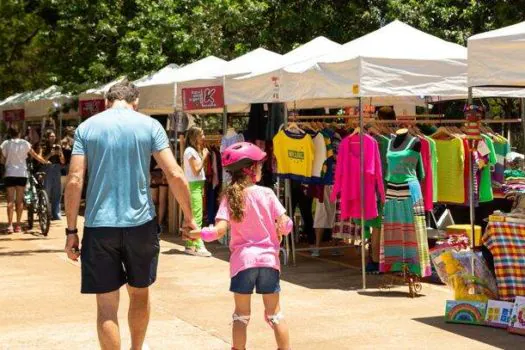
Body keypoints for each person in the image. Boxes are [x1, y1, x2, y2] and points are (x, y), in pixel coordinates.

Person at [64, 81, 196, 350]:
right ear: (136, 102)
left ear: (106, 102)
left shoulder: (87, 128)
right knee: (139, 294)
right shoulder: (149, 126)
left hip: (100, 226)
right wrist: (189, 217)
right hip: (141, 225)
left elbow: (75, 179)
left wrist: (71, 231)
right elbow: (175, 173)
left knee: (106, 305)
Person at [189, 142, 293, 350]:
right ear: (251, 169)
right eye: (260, 165)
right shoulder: (267, 194)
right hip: (268, 262)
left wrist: (199, 233)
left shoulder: (229, 197)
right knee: (275, 314)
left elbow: (218, 231)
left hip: (243, 263)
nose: (262, 169)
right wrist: (281, 230)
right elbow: (287, 224)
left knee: (241, 316)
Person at [1, 127, 49, 233]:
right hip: (22, 174)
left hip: (9, 173)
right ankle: (18, 225)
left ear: (9, 133)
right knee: (19, 200)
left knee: (10, 201)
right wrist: (45, 162)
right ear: (20, 133)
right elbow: (35, 155)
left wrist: (7, 163)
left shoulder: (5, 144)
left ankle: (10, 225)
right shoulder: (25, 143)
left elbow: (2, 159)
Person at [183, 126, 212, 257]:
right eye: (202, 135)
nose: (204, 137)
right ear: (195, 137)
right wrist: (204, 157)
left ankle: (190, 244)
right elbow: (196, 170)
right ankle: (199, 244)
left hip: (196, 186)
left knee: (192, 216)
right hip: (194, 186)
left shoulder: (191, 150)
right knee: (197, 217)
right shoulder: (190, 151)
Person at [41, 130, 65, 220]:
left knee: (57, 192)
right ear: (47, 138)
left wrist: (59, 153)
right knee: (47, 190)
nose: (53, 138)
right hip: (47, 168)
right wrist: (50, 154)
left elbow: (63, 161)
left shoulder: (58, 147)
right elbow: (42, 159)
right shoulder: (44, 147)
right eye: (51, 136)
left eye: (54, 136)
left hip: (57, 168)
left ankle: (56, 213)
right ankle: (45, 212)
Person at [150, 156, 168, 228]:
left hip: (154, 173)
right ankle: (159, 223)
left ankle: (155, 222)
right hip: (162, 173)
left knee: (154, 201)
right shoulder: (166, 145)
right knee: (162, 201)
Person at [60, 126, 75, 194]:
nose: (74, 132)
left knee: (65, 182)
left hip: (68, 164)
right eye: (72, 131)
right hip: (66, 165)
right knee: (66, 182)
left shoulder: (71, 141)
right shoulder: (65, 141)